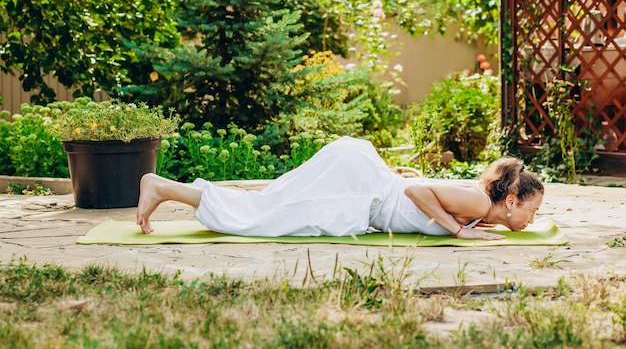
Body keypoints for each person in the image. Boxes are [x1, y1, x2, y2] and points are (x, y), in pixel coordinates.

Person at [136, 136, 544, 240]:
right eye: (533, 210)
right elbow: (414, 194)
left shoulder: (477, 209)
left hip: (359, 191)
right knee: (263, 217)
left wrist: (465, 226)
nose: (533, 219)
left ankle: (165, 188)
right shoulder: (475, 200)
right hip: (356, 191)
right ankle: (160, 186)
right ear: (510, 201)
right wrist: (456, 229)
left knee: (265, 209)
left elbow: (419, 190)